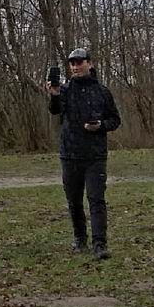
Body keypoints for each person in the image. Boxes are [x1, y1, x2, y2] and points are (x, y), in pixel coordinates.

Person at [48, 47, 122, 260]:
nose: (75, 67)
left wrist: (100, 126)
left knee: (96, 199)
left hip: (95, 156)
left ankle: (100, 244)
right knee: (74, 201)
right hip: (70, 154)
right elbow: (55, 110)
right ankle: (80, 239)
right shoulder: (65, 90)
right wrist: (53, 95)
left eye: (79, 62)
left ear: (89, 63)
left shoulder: (102, 91)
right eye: (72, 64)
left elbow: (115, 120)